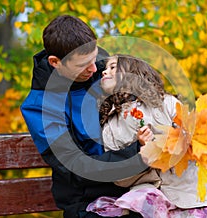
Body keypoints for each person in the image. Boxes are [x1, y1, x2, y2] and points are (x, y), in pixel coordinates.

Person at [20, 15, 147, 218]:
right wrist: (139, 154)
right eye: (83, 65)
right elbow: (76, 169)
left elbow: (146, 103)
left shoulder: (105, 70)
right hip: (88, 202)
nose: (94, 69)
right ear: (55, 62)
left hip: (138, 187)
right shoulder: (40, 107)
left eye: (94, 58)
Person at [86, 54, 207, 217]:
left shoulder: (166, 103)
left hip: (188, 193)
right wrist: (140, 154)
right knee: (140, 202)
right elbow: (119, 177)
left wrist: (171, 141)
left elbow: (195, 138)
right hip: (149, 196)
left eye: (113, 67)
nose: (104, 72)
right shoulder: (110, 126)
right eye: (105, 69)